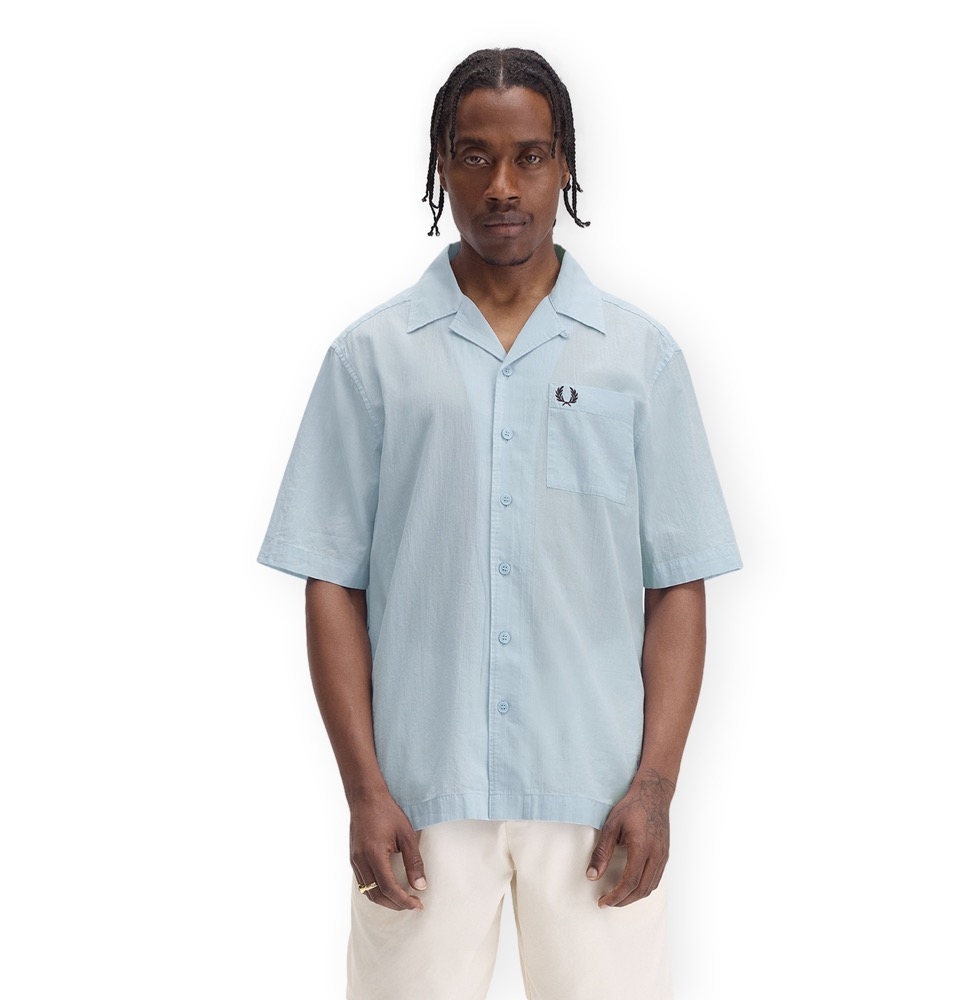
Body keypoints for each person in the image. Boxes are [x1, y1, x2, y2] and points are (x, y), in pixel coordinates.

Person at [258, 47, 741, 1000]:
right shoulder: (372, 359)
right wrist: (365, 791)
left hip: (598, 799)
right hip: (421, 801)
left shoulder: (639, 358)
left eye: (530, 156)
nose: (503, 185)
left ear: (565, 166)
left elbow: (676, 583)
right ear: (442, 165)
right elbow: (332, 583)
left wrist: (655, 785)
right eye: (475, 156)